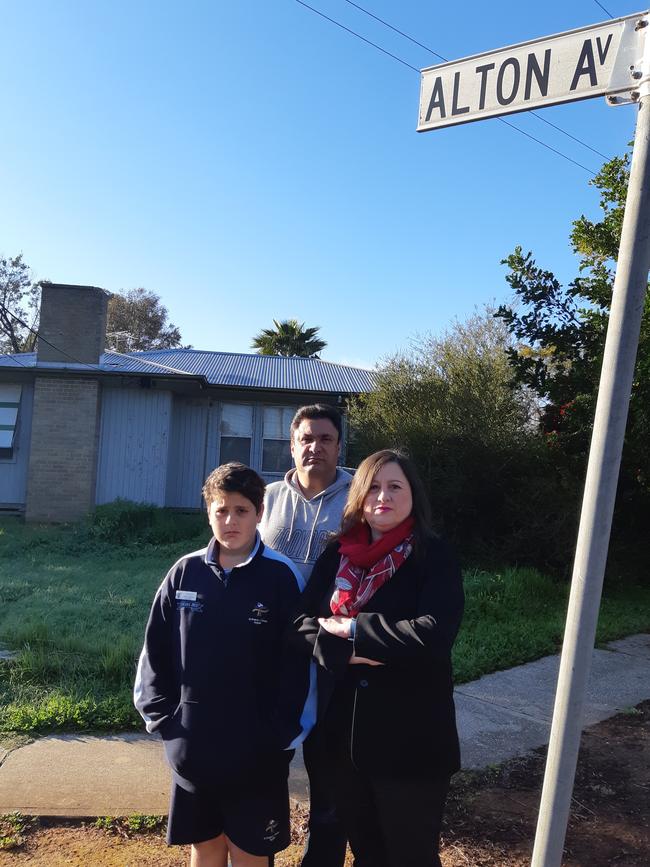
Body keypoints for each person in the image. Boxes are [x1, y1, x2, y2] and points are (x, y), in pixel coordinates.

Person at [290, 449, 464, 867]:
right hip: (342, 745)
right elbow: (299, 622)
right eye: (372, 487)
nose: (382, 496)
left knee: (411, 857)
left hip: (411, 745)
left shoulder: (432, 554)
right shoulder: (339, 554)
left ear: (412, 495)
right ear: (359, 497)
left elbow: (434, 633)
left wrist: (352, 630)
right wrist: (345, 652)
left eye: (394, 486)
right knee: (367, 853)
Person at [134, 462, 306, 867]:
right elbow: (154, 652)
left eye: (242, 510)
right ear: (208, 512)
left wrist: (280, 734)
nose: (230, 521)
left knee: (249, 851)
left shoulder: (282, 577)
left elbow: (299, 666)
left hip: (257, 754)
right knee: (206, 847)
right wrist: (164, 722)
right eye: (221, 510)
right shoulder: (184, 572)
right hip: (194, 748)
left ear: (260, 513)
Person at [259, 403, 350, 866]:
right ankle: (261, 847)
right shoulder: (267, 498)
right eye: (306, 439)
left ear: (339, 445)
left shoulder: (359, 497)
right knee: (268, 757)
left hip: (333, 649)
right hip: (275, 648)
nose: (315, 447)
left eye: (325, 439)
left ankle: (323, 857)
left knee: (328, 764)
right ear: (292, 446)